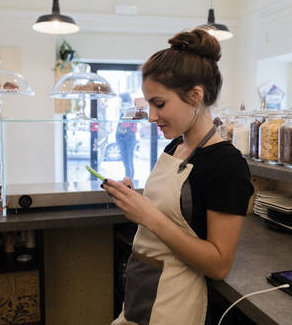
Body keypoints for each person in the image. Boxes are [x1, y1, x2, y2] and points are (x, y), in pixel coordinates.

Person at [102, 29, 254, 325]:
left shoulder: (227, 164)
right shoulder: (176, 145)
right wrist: (136, 197)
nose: (150, 116)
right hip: (141, 292)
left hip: (175, 305)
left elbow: (219, 264)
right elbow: (176, 208)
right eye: (148, 104)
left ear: (195, 96)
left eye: (159, 104)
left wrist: (149, 216)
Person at [115, 93, 138, 179]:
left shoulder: (129, 109)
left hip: (127, 139)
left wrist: (121, 129)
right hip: (124, 138)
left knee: (128, 162)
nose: (119, 101)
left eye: (120, 99)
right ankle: (129, 179)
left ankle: (129, 181)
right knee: (127, 162)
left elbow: (124, 127)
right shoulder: (126, 110)